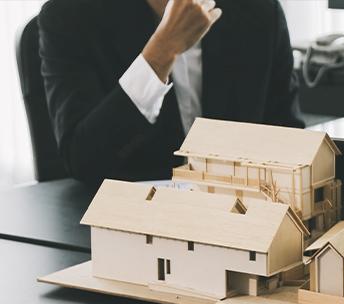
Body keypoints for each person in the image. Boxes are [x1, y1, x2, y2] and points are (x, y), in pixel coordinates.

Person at [39, 0, 304, 185]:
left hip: (239, 216)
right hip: (126, 223)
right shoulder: (68, 16)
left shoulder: (260, 11)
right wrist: (162, 51)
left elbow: (288, 141)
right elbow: (83, 159)